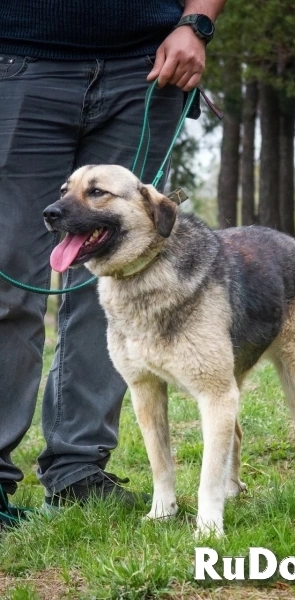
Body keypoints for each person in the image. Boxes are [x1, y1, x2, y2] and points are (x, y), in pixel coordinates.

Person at [0, 0, 226, 520]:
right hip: (17, 62)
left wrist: (197, 22)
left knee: (113, 280)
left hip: (147, 69)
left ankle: (77, 470)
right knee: (8, 284)